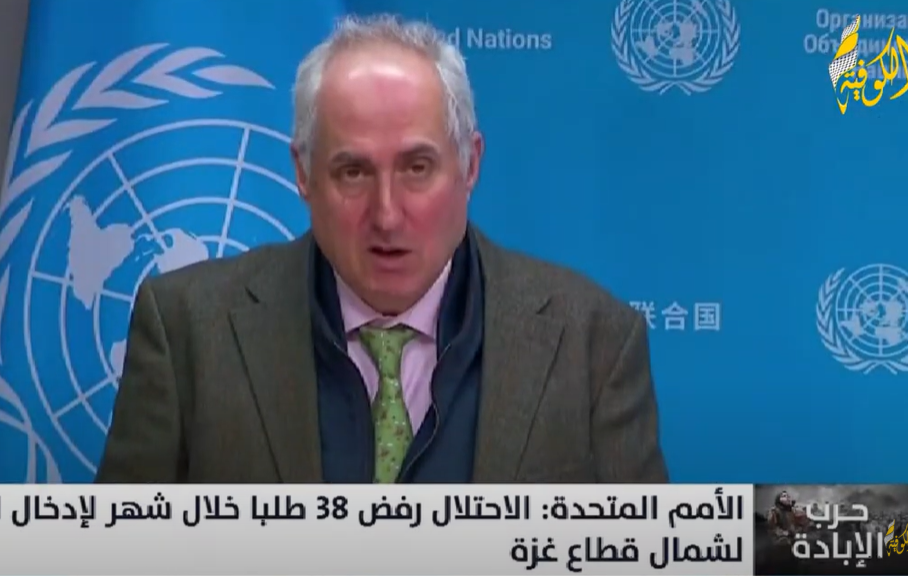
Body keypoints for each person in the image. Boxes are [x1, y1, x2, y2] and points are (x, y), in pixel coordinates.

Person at [95, 14, 668, 484]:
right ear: (303, 173)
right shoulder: (186, 331)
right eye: (353, 171)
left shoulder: (594, 344)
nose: (387, 215)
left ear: (470, 165)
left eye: (417, 168)